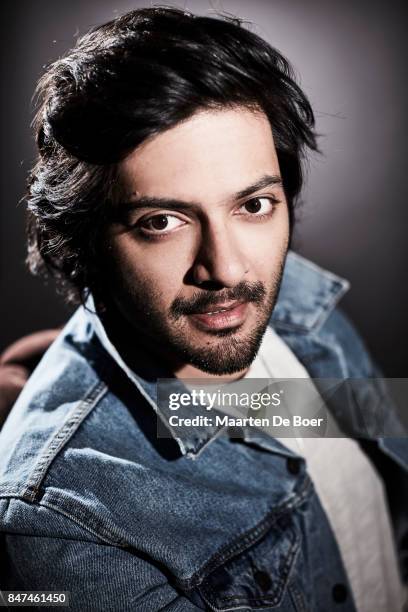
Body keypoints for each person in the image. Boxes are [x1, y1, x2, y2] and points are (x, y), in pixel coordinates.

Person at [0, 7, 407, 611]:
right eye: (162, 222)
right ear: (85, 240)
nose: (227, 268)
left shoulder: (293, 298)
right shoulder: (65, 518)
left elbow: (369, 433)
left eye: (254, 205)